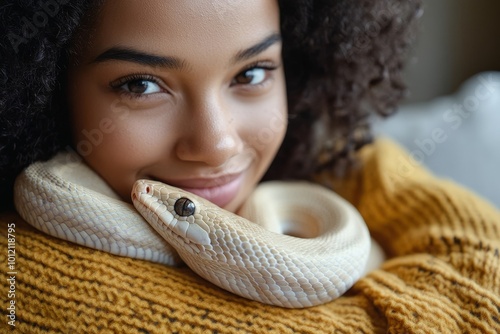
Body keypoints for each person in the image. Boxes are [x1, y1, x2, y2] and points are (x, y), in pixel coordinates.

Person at [1, 0, 499, 332]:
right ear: (45, 87)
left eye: (253, 72)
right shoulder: (18, 276)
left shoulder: (346, 156)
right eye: (141, 85)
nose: (217, 146)